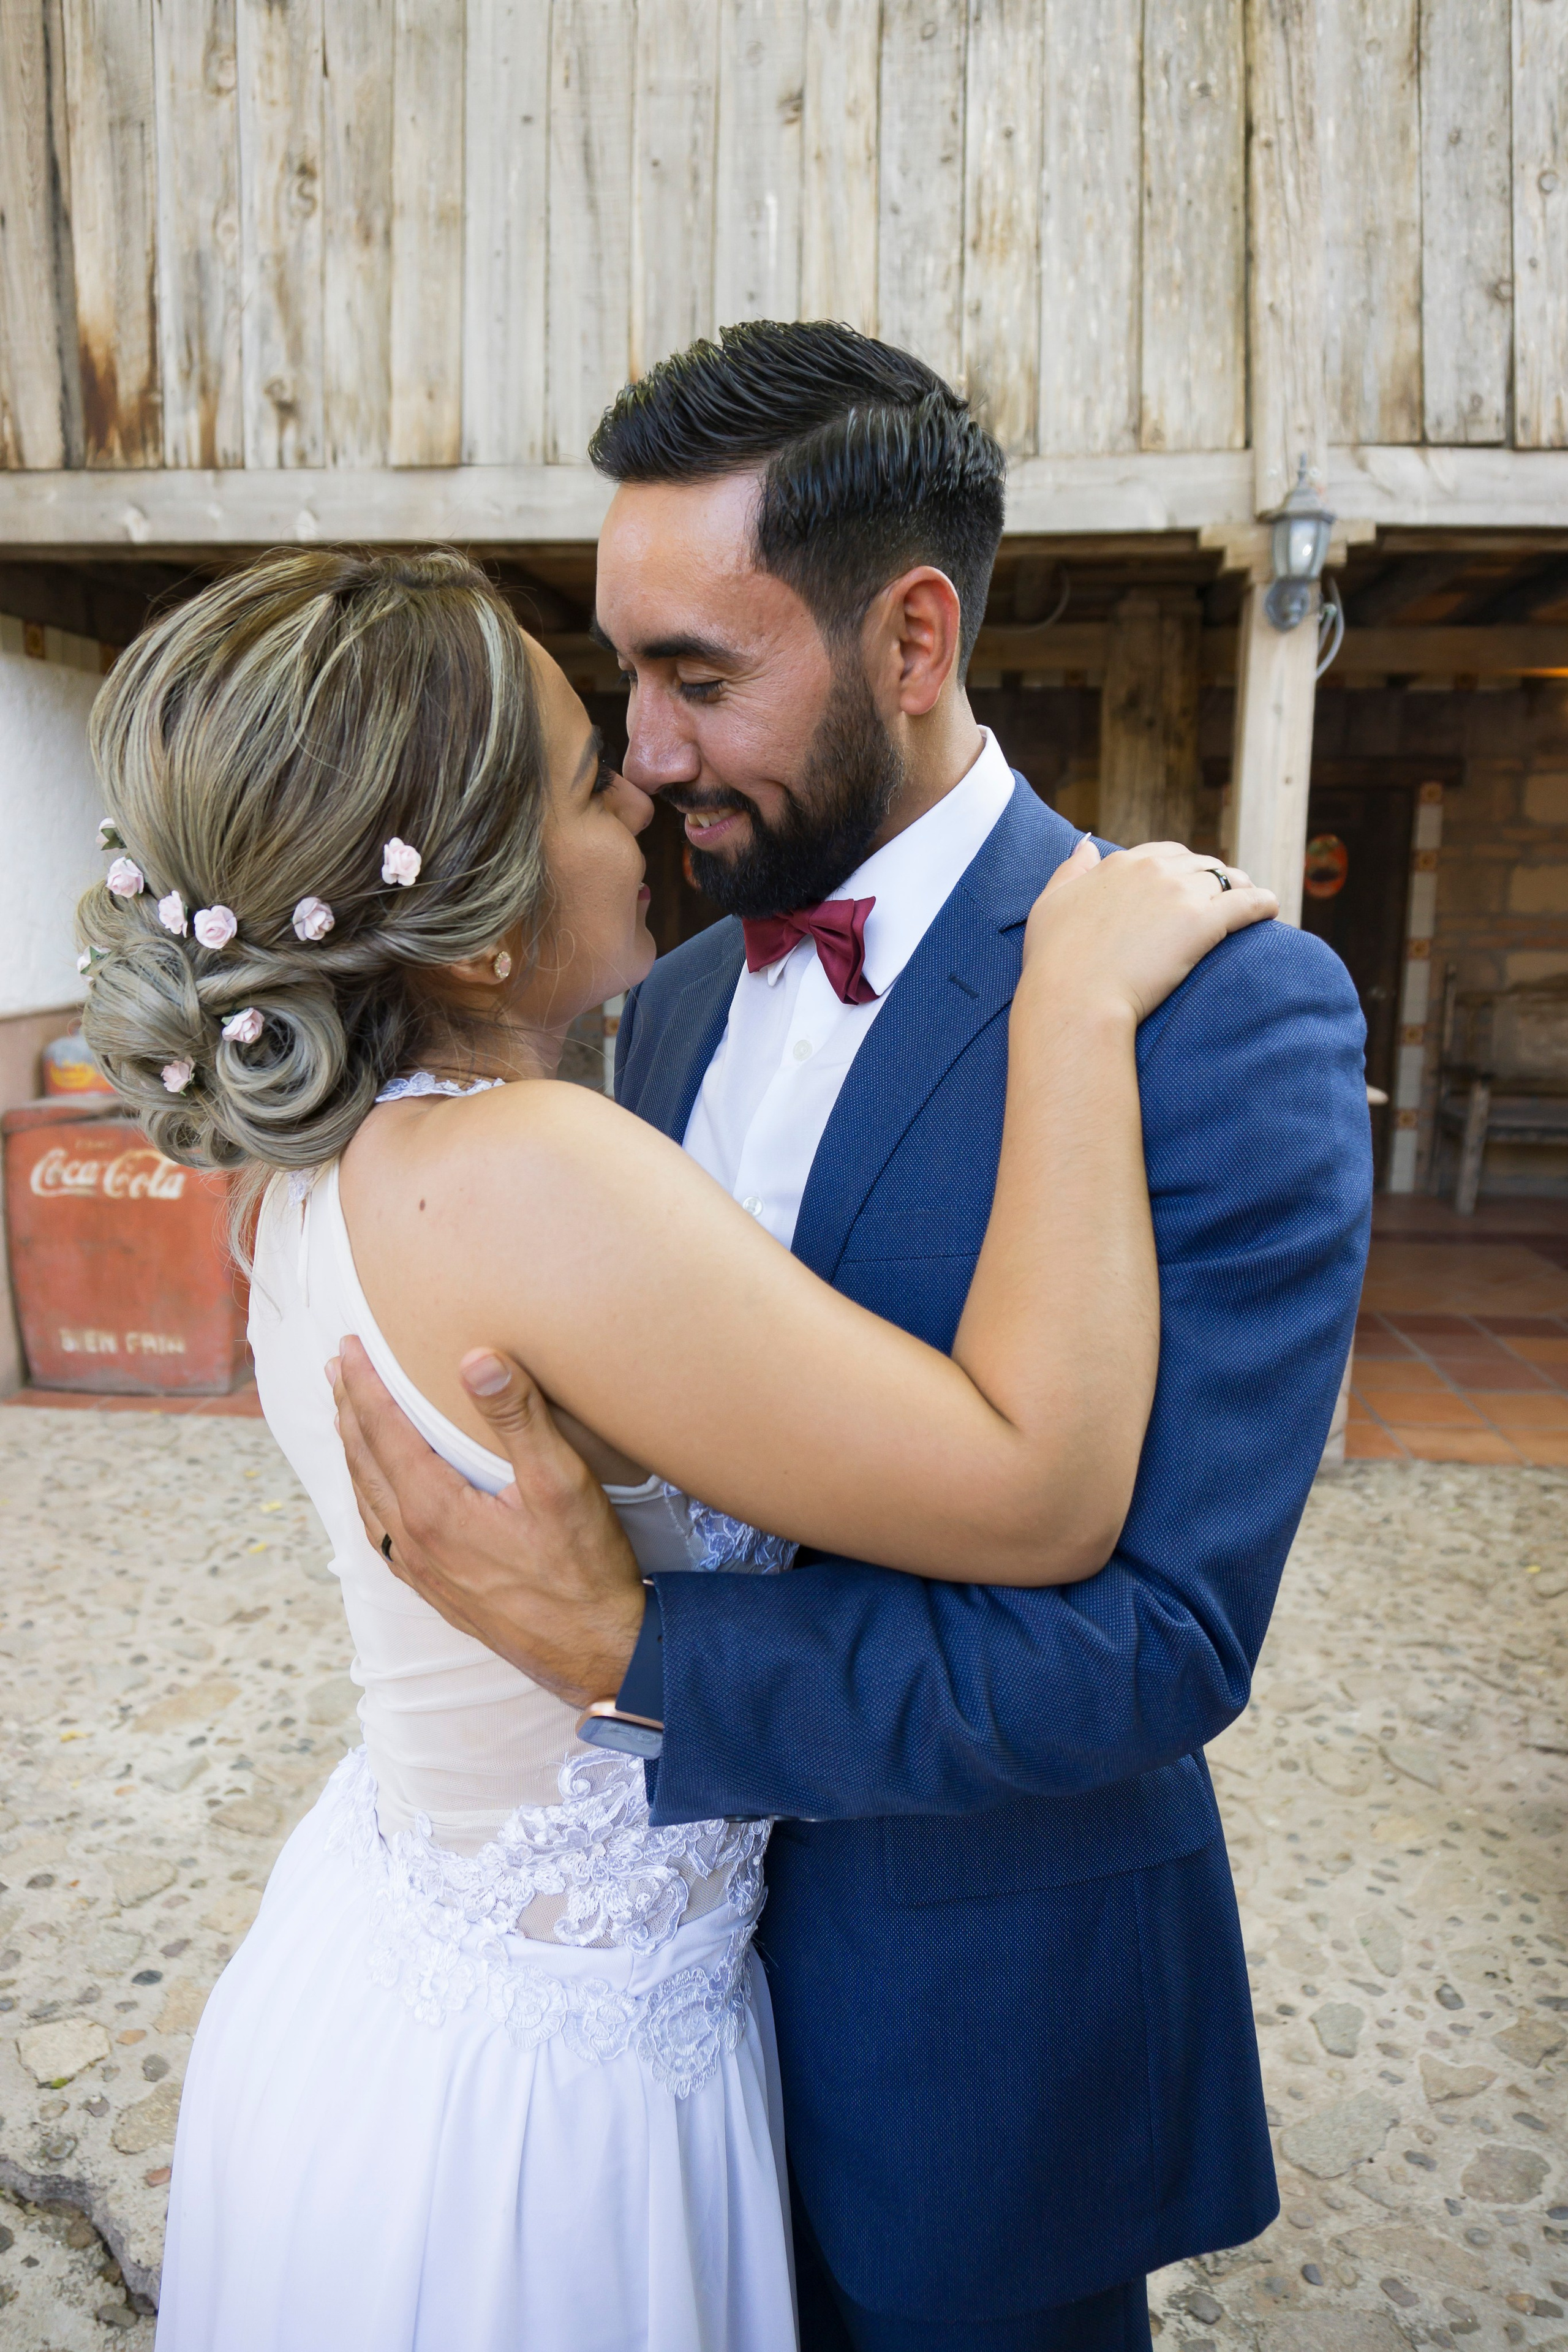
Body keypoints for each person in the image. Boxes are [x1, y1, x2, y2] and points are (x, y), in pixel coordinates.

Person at [77, 527, 1274, 2352]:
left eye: (678, 692)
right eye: (583, 772)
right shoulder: (524, 1170)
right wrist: (1074, 1005)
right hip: (556, 2078)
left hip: (403, 1962)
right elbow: (1037, 1492)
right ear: (479, 916)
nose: (642, 778)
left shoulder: (308, 1173)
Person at [332, 321, 1375, 2352]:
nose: (638, 749)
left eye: (698, 678)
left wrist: (640, 1656)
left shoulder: (1223, 1014)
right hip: (637, 2052)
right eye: (625, 673)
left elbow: (1158, 1645)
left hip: (975, 2046)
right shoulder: (686, 988)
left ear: (912, 640)